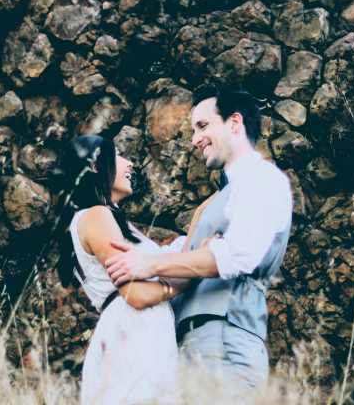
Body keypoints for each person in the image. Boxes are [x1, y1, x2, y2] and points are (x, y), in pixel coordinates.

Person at [105, 85, 293, 389]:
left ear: (234, 123)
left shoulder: (263, 180)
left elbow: (237, 255)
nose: (194, 139)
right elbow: (185, 253)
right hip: (192, 347)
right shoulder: (221, 198)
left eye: (203, 126)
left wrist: (149, 266)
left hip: (225, 344)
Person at [55, 135, 186, 405]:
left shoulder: (107, 218)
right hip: (135, 328)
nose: (129, 163)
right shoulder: (96, 216)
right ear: (94, 166)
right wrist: (189, 279)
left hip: (136, 327)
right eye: (118, 155)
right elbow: (135, 294)